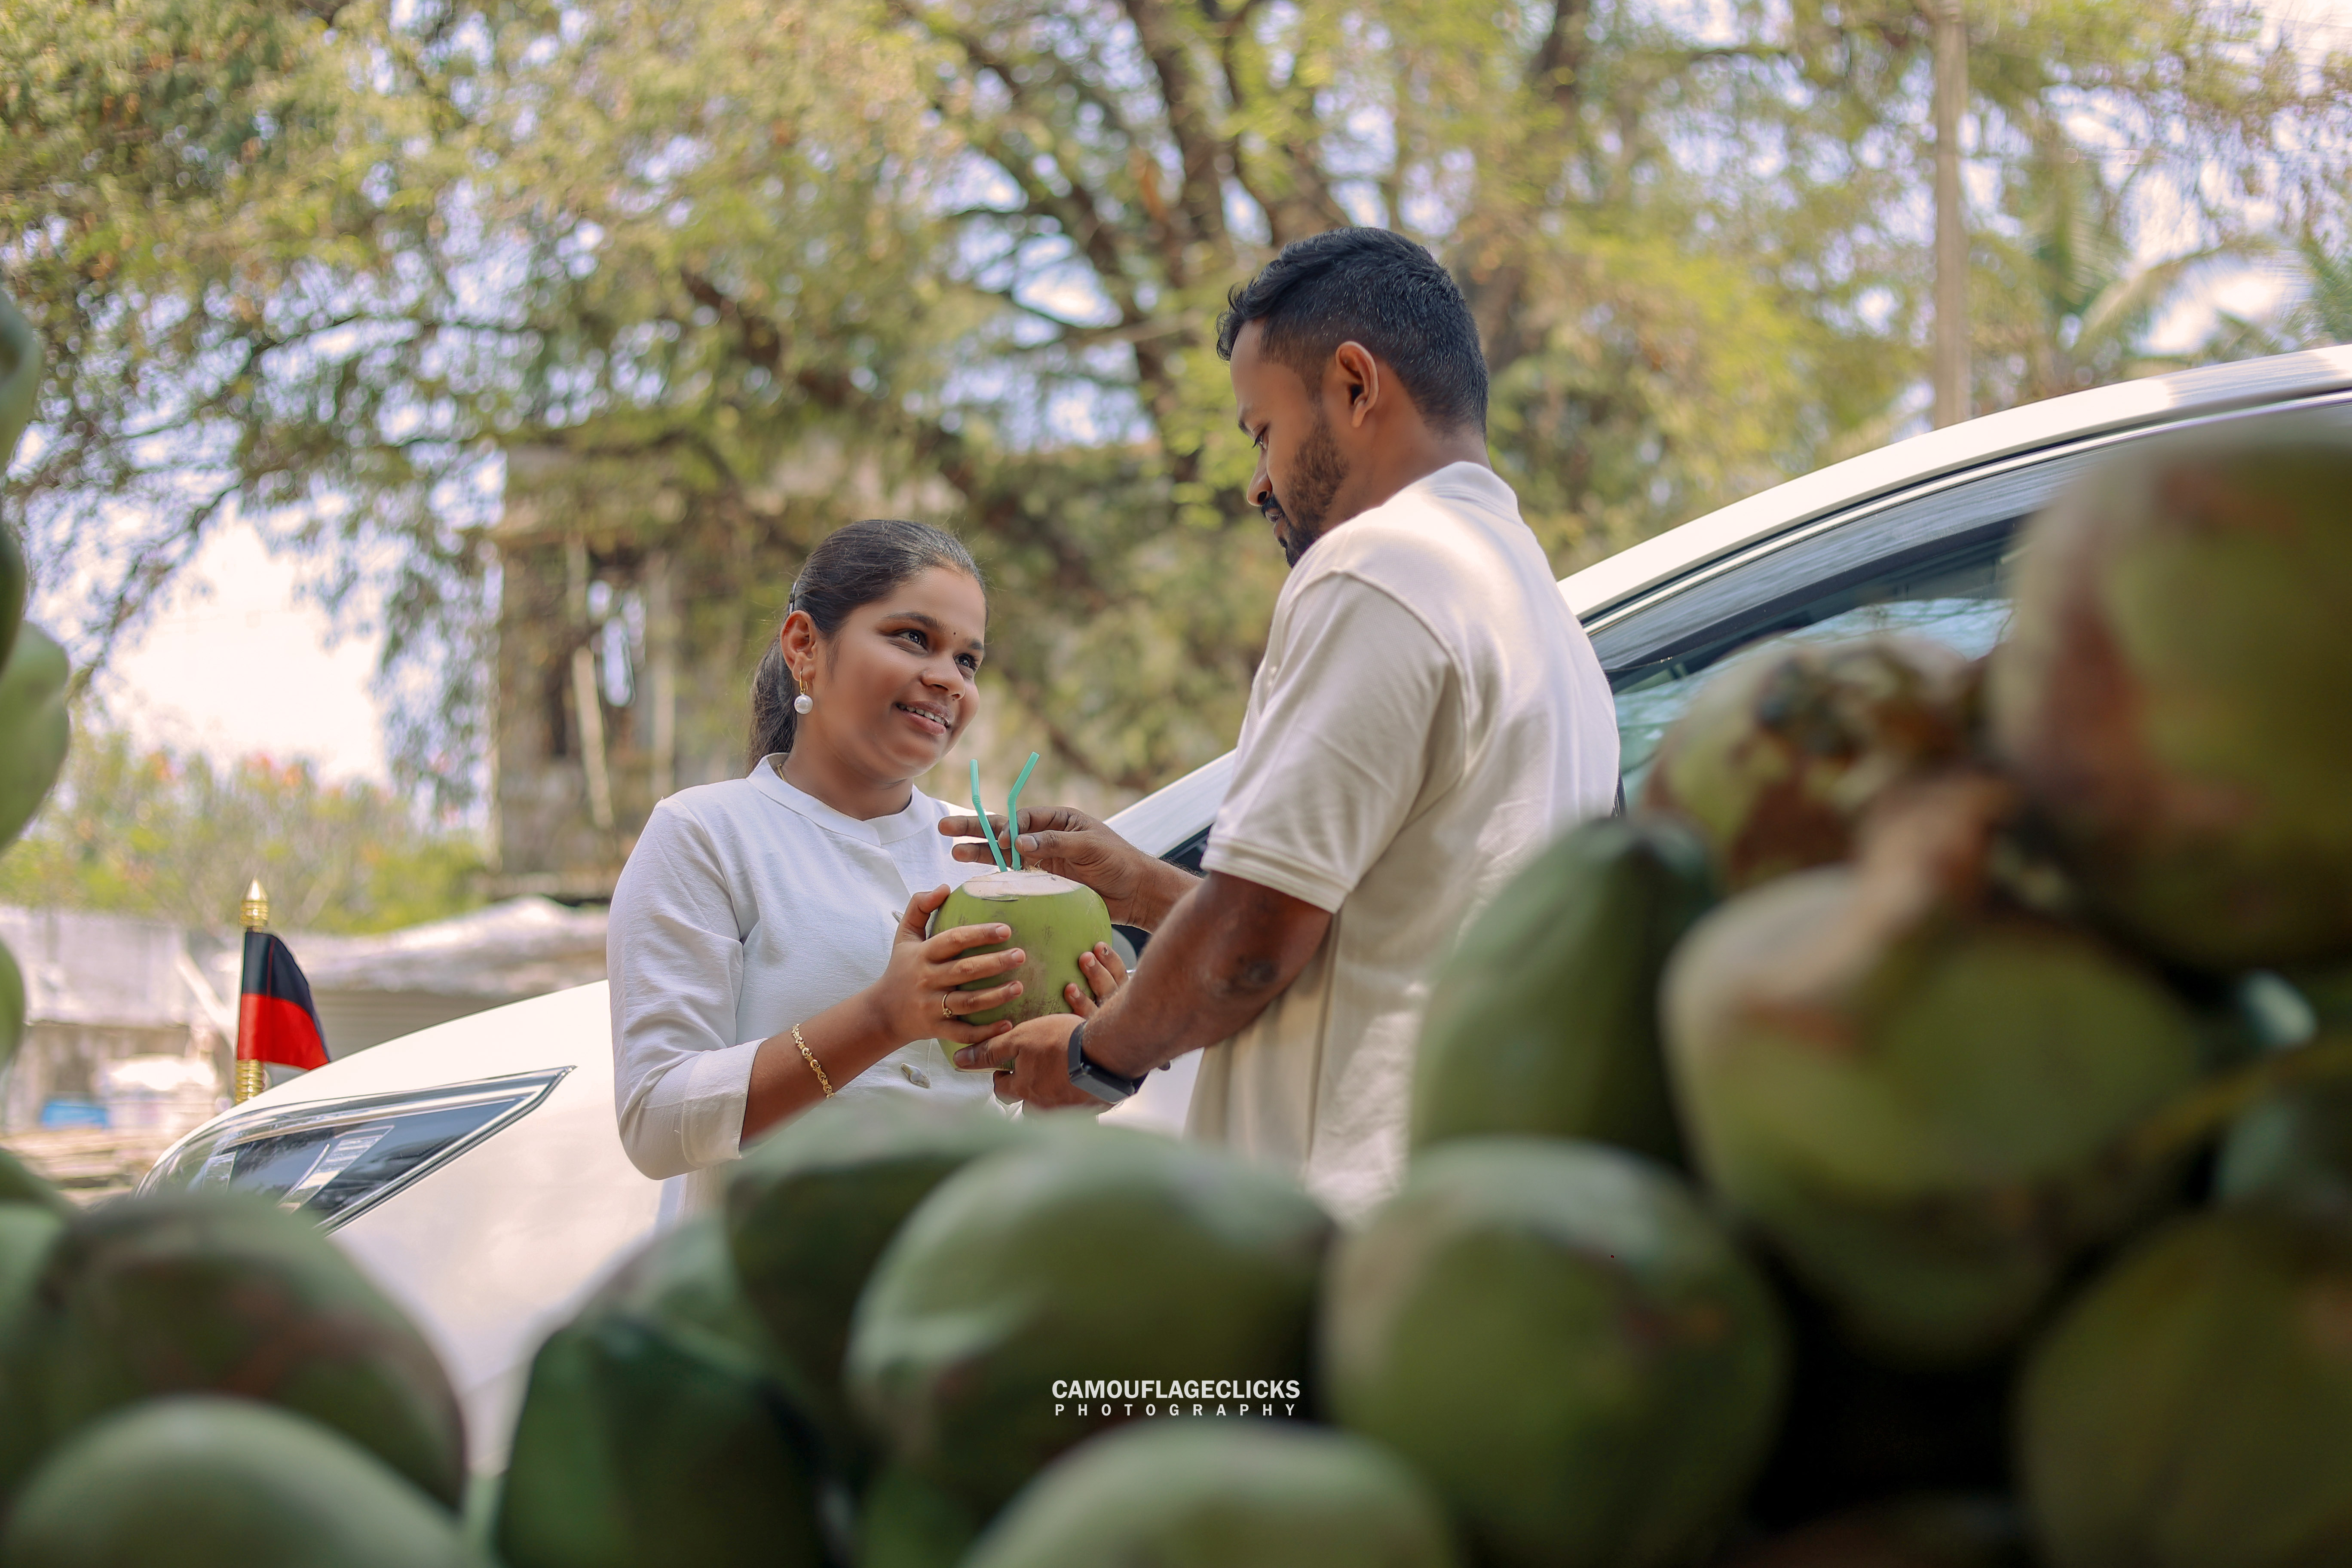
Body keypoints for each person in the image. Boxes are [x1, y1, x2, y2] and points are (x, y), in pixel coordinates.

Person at [946, 228, 1620, 1220]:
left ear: (1354, 385)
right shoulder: (1544, 621)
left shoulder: (1377, 566)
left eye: (1262, 432)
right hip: (1465, 1228)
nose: (1255, 481)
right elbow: (1369, 945)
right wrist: (1137, 885)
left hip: (1347, 1241)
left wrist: (1090, 1059)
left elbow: (1256, 944)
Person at [607, 518, 1124, 1211]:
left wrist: (1076, 1078)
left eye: (968, 661)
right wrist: (883, 1017)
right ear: (805, 647)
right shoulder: (705, 833)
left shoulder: (984, 860)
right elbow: (654, 1122)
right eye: (914, 638)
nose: (947, 679)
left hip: (956, 1279)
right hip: (776, 1295)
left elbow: (1000, 1115)